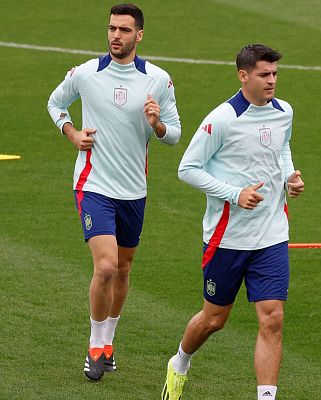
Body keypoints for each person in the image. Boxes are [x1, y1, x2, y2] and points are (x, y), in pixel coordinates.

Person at [46, 3, 181, 381]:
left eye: (124, 30)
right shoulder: (87, 73)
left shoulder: (158, 80)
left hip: (133, 190)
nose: (115, 36)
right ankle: (93, 346)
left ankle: (108, 343)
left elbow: (174, 135)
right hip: (94, 185)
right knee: (105, 266)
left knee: (122, 270)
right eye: (111, 29)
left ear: (139, 35)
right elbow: (55, 103)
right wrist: (71, 133)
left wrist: (156, 124)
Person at [162, 44, 304, 400]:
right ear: (243, 75)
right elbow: (187, 170)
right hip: (227, 239)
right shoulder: (222, 119)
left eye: (275, 74)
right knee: (214, 320)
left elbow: (282, 147)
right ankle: (180, 362)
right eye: (264, 74)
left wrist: (289, 176)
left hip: (272, 234)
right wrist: (234, 193)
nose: (272, 81)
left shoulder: (283, 112)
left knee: (272, 319)